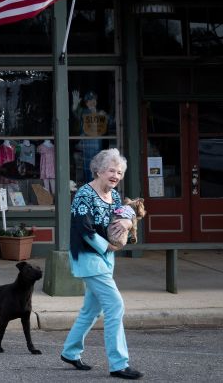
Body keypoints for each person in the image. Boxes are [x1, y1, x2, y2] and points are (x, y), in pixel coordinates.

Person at [60, 148, 143, 380]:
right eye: (111, 170)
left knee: (91, 310)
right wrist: (108, 246)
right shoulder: (84, 194)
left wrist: (127, 223)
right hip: (89, 257)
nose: (115, 175)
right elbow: (83, 229)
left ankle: (70, 352)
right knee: (115, 306)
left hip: (107, 257)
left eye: (119, 172)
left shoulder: (115, 195)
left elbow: (122, 215)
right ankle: (119, 364)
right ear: (98, 171)